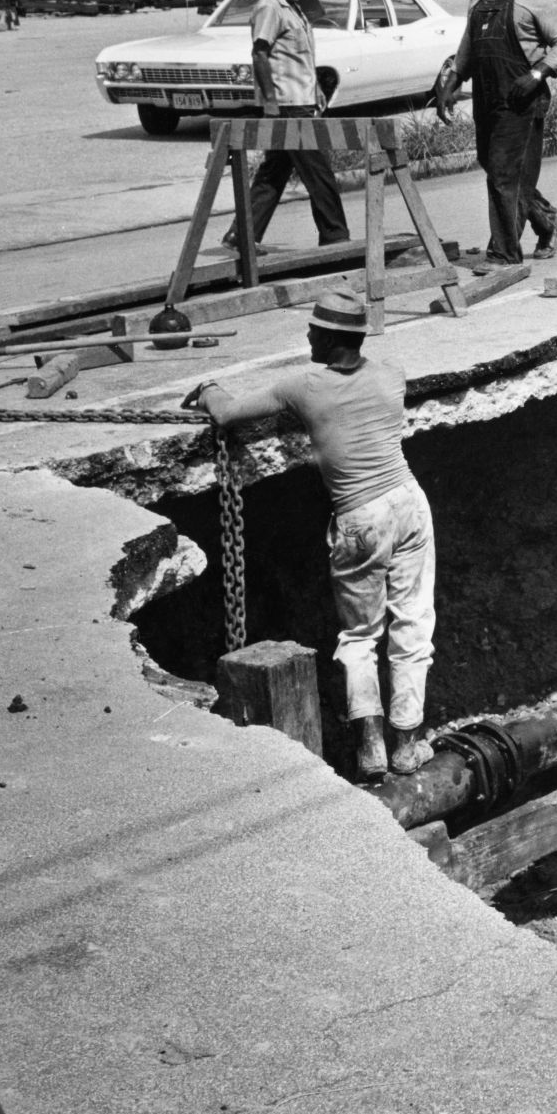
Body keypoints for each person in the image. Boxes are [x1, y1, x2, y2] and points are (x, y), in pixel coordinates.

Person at [187, 292, 436, 783]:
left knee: (361, 636)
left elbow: (227, 413)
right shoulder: (392, 373)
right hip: (408, 502)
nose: (307, 336)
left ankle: (370, 748)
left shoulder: (304, 386)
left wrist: (208, 386)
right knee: (413, 628)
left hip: (359, 517)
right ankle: (406, 746)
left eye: (313, 330)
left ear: (330, 337)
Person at [434, 0, 557, 267]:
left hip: (522, 99)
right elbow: (468, 49)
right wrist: (450, 84)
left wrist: (538, 74)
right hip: (488, 97)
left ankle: (503, 252)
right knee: (495, 166)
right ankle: (548, 219)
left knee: (502, 174)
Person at [224, 0, 350, 252]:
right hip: (287, 105)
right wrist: (269, 100)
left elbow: (297, 57)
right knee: (318, 172)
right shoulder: (271, 7)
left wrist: (316, 87)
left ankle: (241, 235)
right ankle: (335, 238)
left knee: (274, 172)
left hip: (301, 100)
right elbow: (259, 53)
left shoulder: (295, 7)